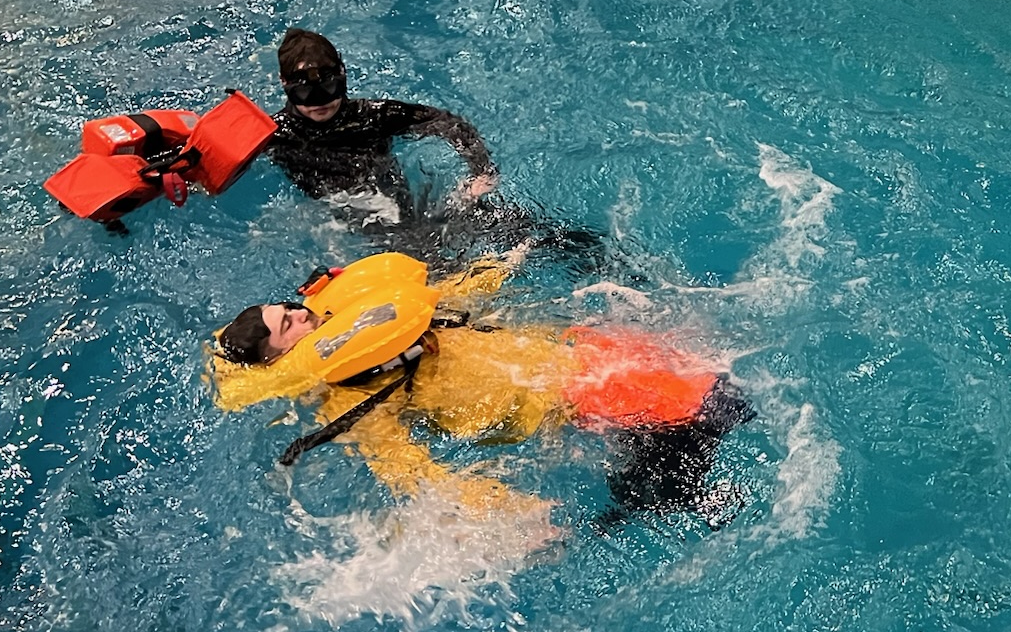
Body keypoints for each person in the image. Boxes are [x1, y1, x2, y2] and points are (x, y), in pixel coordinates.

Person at [213, 252, 750, 522]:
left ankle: (651, 482)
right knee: (723, 399)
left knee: (718, 367)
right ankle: (661, 486)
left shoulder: (364, 313)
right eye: (288, 326)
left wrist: (509, 260)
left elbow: (452, 294)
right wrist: (515, 512)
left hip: (566, 347)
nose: (298, 313)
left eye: (286, 308)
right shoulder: (353, 395)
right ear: (284, 357)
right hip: (563, 395)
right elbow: (415, 476)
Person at [269, 28, 498, 229]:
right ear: (284, 83)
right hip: (339, 219)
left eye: (330, 87)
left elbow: (451, 124)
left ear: (343, 73)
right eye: (304, 93)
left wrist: (482, 171)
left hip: (395, 203)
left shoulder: (372, 117)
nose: (319, 102)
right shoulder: (274, 133)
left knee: (494, 218)